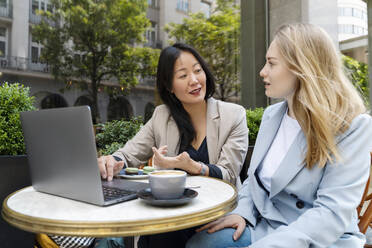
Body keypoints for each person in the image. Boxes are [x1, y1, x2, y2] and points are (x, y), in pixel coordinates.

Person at [186, 23, 372, 248]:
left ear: (302, 67)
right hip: (265, 225)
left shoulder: (352, 126)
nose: (262, 71)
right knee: (200, 242)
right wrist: (243, 212)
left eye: (272, 63)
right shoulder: (272, 115)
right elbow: (252, 182)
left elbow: (331, 214)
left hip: (321, 239)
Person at [98, 43, 249, 248]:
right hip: (172, 212)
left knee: (163, 235)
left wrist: (194, 167)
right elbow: (129, 154)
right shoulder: (162, 115)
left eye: (197, 70)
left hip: (215, 212)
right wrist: (112, 160)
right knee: (162, 232)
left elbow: (229, 174)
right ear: (169, 86)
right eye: (183, 75)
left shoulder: (233, 115)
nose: (194, 80)